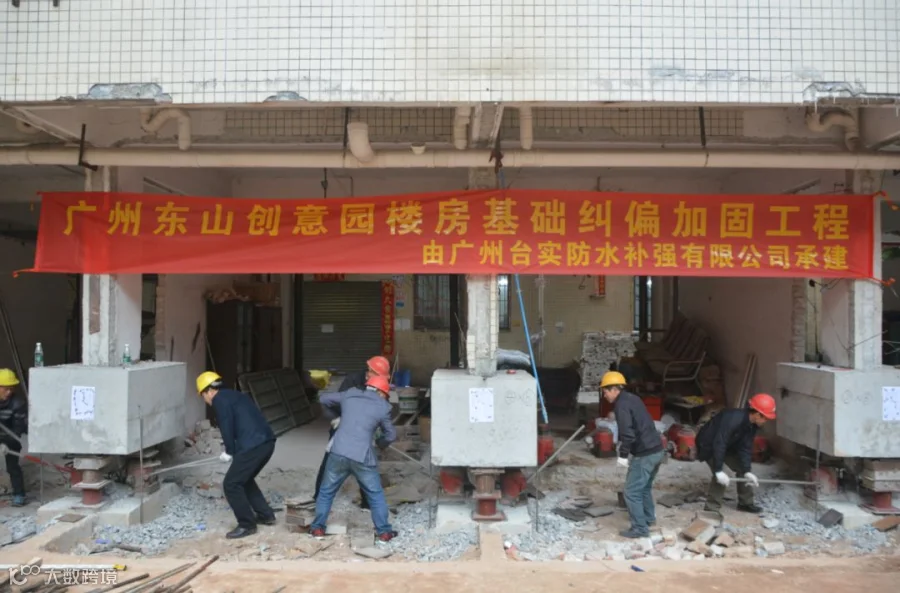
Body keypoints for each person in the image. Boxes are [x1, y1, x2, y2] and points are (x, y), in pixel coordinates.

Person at [309, 374, 397, 542]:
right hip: (362, 457)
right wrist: (381, 443)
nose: (386, 397)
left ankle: (317, 528)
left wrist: (337, 417)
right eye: (386, 394)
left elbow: (324, 398)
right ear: (381, 392)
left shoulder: (350, 394)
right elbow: (391, 435)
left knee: (326, 492)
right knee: (375, 495)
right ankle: (384, 532)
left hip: (338, 452)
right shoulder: (383, 407)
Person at [196, 371, 278, 539]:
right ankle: (266, 515)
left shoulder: (219, 400)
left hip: (253, 446)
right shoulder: (234, 395)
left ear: (209, 391)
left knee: (231, 484)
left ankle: (247, 525)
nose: (205, 400)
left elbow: (226, 425)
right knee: (244, 479)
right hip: (266, 443)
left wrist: (229, 451)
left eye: (202, 396)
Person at [314, 355, 391, 508]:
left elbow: (383, 407)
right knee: (330, 461)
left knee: (366, 463)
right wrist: (336, 418)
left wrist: (379, 431)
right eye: (372, 373)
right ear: (369, 370)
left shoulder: (380, 385)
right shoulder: (353, 380)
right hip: (344, 426)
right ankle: (318, 498)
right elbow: (336, 401)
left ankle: (367, 503)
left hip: (364, 429)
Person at [600, 371, 665, 539]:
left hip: (645, 454)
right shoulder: (633, 398)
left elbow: (627, 434)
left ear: (615, 389)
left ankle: (640, 529)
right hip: (657, 449)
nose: (604, 395)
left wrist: (623, 455)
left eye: (606, 391)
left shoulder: (621, 405)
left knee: (631, 491)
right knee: (644, 488)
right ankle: (649, 519)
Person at [696, 393, 776, 514]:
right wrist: (718, 470)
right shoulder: (733, 419)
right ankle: (711, 509)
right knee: (723, 474)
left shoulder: (752, 425)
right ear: (757, 414)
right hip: (708, 445)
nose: (766, 421)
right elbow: (719, 443)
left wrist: (747, 470)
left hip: (728, 445)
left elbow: (745, 447)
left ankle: (745, 503)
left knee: (742, 469)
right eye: (765, 418)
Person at [0, 369, 27, 507]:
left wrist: (6, 443)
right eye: (6, 389)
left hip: (11, 436)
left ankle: (19, 494)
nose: (9, 392)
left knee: (12, 467)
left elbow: (18, 429)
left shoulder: (18, 403)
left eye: (11, 389)